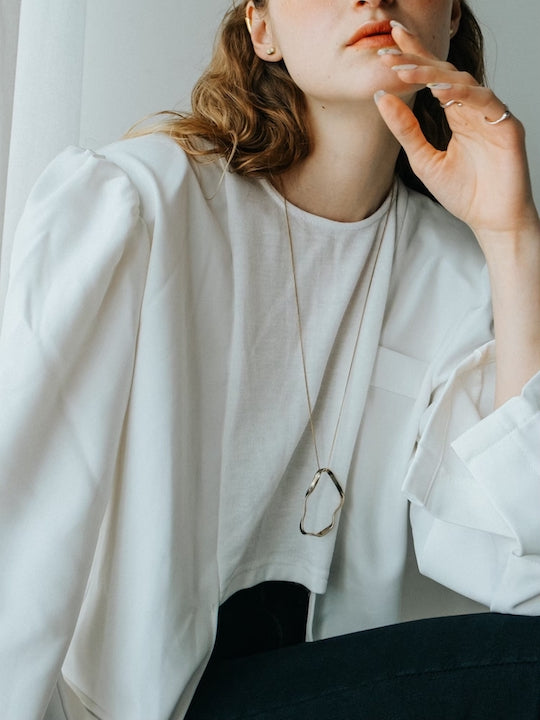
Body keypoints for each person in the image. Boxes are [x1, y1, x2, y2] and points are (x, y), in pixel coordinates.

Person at [1, 0, 539, 718]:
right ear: (263, 29)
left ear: (449, 22)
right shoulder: (135, 206)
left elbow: (520, 572)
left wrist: (512, 238)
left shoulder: (460, 272)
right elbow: (20, 540)